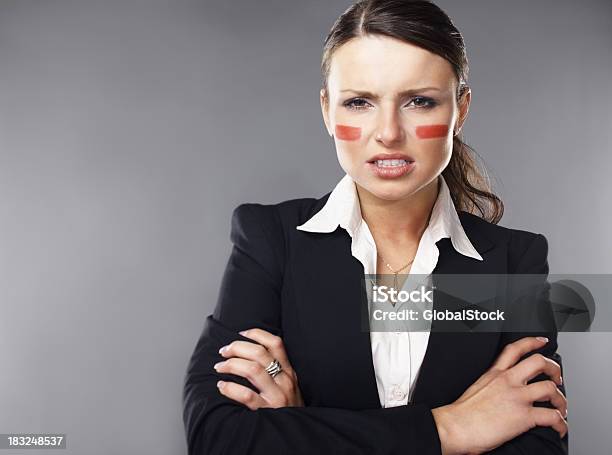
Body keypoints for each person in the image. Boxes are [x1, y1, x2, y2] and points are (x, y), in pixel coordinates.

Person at [182, 1, 568, 453]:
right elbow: (219, 439)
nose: (388, 132)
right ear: (327, 110)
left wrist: (301, 426)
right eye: (359, 102)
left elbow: (539, 443)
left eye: (420, 101)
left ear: (460, 109)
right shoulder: (271, 239)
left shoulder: (513, 263)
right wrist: (450, 429)